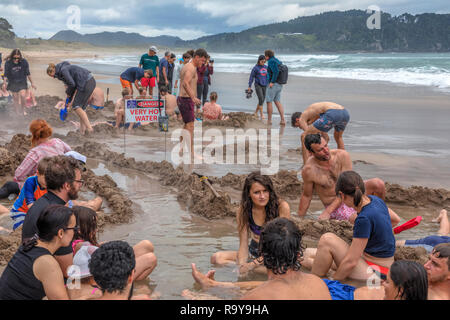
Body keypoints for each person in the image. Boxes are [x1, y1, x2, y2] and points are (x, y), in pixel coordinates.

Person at [192, 217, 331, 300]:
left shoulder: (257, 296)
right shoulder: (318, 284)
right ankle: (214, 285)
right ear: (298, 253)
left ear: (262, 254)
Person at [303, 170, 396, 282]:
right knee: (307, 255)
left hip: (378, 272)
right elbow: (395, 219)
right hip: (380, 263)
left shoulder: (363, 219)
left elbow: (351, 262)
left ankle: (315, 284)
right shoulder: (376, 201)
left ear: (342, 195)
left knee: (327, 240)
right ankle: (322, 276)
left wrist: (334, 281)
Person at [297, 133, 400, 226]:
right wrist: (299, 220)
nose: (326, 151)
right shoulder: (309, 170)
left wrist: (327, 212)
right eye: (320, 150)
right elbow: (306, 196)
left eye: (326, 146)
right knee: (360, 219)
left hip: (351, 192)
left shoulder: (342, 155)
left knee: (378, 184)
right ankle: (376, 223)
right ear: (311, 153)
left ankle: (377, 211)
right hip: (335, 206)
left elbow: (349, 185)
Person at [210, 172, 290, 276]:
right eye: (257, 192)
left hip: (276, 255)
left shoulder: (281, 207)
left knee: (281, 270)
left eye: (265, 191)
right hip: (255, 252)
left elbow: (281, 245)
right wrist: (242, 266)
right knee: (216, 258)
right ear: (249, 193)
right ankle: (256, 271)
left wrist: (252, 265)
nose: (262, 196)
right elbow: (243, 244)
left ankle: (259, 270)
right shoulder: (243, 210)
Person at [21, 155, 84, 278]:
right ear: (67, 185)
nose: (80, 186)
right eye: (79, 182)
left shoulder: (40, 204)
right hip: (42, 282)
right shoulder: (61, 216)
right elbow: (68, 272)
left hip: (28, 271)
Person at [0, 205, 76, 300]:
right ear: (60, 233)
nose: (75, 232)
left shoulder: (30, 243)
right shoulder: (48, 263)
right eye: (74, 229)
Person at [72, 206, 157, 281]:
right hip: (108, 279)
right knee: (150, 259)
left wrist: (98, 246)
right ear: (80, 230)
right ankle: (130, 287)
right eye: (93, 226)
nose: (96, 229)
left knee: (146, 245)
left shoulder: (77, 243)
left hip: (104, 271)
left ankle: (135, 281)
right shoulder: (83, 246)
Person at [0, 119, 71, 200]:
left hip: (44, 188)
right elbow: (71, 153)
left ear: (34, 135)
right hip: (61, 185)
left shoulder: (36, 152)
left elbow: (19, 174)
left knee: (10, 185)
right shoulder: (58, 142)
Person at [47, 62, 98, 135]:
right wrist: (70, 100)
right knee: (81, 108)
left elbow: (72, 84)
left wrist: (68, 93)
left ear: (53, 71)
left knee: (76, 106)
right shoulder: (64, 70)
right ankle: (82, 131)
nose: (54, 77)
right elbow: (74, 86)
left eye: (53, 76)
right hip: (90, 81)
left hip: (86, 83)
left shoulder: (63, 70)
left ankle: (90, 129)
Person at [177, 48, 207, 159]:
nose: (203, 63)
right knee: (190, 126)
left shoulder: (189, 66)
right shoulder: (191, 68)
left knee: (186, 125)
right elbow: (185, 83)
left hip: (184, 99)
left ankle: (181, 148)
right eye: (202, 61)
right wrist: (193, 97)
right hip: (186, 99)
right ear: (197, 57)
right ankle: (192, 153)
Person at [9, 157, 51, 230]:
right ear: (38, 173)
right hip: (20, 211)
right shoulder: (31, 182)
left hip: (37, 212)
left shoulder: (51, 184)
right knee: (24, 229)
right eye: (46, 178)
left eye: (51, 178)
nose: (49, 181)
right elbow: (30, 205)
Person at [2, 49, 36, 116]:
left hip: (22, 81)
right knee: (15, 98)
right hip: (12, 82)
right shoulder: (8, 63)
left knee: (23, 96)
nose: (16, 59)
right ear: (12, 56)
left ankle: (23, 110)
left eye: (18, 58)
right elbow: (6, 74)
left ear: (20, 56)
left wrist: (32, 83)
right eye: (15, 58)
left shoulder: (24, 62)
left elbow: (28, 73)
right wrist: (4, 83)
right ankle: (17, 111)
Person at [264, 50, 286, 126]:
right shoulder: (277, 60)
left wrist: (272, 82)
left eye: (265, 56)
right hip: (279, 84)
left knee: (269, 102)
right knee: (277, 101)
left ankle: (269, 121)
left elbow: (276, 71)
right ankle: (282, 120)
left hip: (274, 84)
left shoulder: (271, 61)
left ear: (267, 56)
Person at [248, 55, 268, 120]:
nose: (263, 62)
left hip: (265, 85)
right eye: (262, 61)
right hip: (258, 85)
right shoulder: (255, 68)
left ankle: (256, 112)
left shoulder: (266, 67)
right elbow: (251, 77)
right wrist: (249, 86)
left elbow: (269, 75)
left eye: (264, 61)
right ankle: (261, 114)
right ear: (259, 60)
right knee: (261, 99)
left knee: (262, 100)